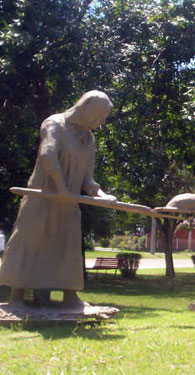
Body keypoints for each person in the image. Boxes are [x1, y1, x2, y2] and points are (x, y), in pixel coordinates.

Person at [0, 90, 116, 307]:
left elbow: (88, 180)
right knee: (29, 242)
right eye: (101, 117)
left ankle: (70, 296)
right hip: (42, 197)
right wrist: (61, 189)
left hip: (68, 204)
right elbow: (47, 155)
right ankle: (16, 296)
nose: (102, 122)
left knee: (68, 247)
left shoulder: (88, 140)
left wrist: (102, 196)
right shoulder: (54, 123)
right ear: (89, 111)